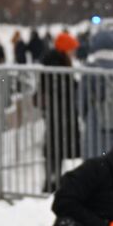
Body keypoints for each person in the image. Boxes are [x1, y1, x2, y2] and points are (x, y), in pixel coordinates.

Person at [79, 30, 113, 160]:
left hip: (96, 122)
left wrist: (85, 116)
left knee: (96, 161)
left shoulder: (89, 68)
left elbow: (82, 98)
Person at [39, 32, 79, 190]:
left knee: (57, 145)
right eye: (72, 49)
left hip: (59, 111)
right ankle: (51, 181)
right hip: (58, 111)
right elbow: (59, 86)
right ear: (65, 49)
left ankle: (53, 179)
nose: (74, 53)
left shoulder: (57, 61)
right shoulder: (56, 63)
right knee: (55, 145)